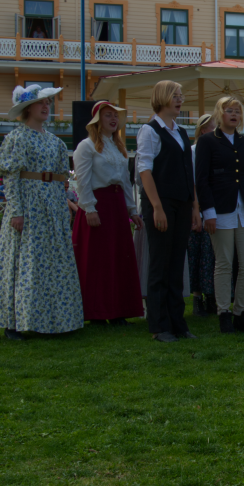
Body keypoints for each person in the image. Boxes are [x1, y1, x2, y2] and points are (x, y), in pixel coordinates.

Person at [0, 85, 83, 340]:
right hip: (29, 206)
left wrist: (65, 207)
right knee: (27, 262)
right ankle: (16, 321)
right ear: (27, 108)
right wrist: (17, 211)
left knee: (53, 263)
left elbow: (63, 180)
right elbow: (11, 177)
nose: (46, 107)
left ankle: (54, 320)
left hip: (52, 206)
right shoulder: (17, 138)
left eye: (49, 103)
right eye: (41, 103)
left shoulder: (56, 142)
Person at [137, 80, 203, 343]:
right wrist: (156, 207)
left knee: (177, 266)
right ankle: (159, 325)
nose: (180, 100)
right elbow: (145, 170)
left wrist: (195, 207)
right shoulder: (149, 130)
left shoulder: (182, 132)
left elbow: (189, 173)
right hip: (161, 203)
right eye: (175, 96)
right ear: (162, 98)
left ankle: (178, 323)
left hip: (183, 204)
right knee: (160, 266)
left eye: (181, 96)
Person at [196, 96, 244, 334]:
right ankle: (224, 313)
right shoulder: (207, 141)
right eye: (229, 111)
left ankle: (241, 313)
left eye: (238, 111)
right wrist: (208, 212)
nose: (234, 115)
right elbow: (202, 180)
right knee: (224, 263)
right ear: (219, 114)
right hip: (219, 209)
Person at [72, 100, 144, 325]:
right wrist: (89, 208)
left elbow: (125, 181)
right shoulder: (86, 146)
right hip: (98, 204)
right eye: (107, 115)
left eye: (115, 116)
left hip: (116, 206)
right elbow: (82, 180)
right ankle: (96, 311)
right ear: (97, 121)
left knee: (118, 257)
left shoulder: (119, 148)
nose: (113, 119)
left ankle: (118, 310)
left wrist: (132, 210)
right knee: (98, 259)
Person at [188, 113, 217, 317]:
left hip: (215, 206)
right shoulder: (193, 151)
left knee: (213, 254)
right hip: (198, 207)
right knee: (197, 254)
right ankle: (197, 298)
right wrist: (195, 209)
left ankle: (212, 296)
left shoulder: (218, 149)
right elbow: (193, 182)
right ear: (203, 130)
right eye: (212, 128)